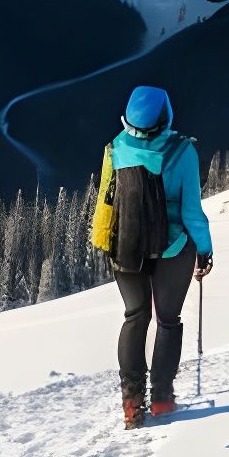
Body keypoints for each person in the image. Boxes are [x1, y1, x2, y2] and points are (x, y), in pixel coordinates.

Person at [95, 86, 213, 429]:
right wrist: (204, 250)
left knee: (135, 317)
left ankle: (132, 404)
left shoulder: (115, 148)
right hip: (172, 249)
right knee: (168, 320)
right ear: (166, 117)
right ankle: (161, 399)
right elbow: (192, 212)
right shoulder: (182, 151)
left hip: (125, 248)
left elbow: (106, 201)